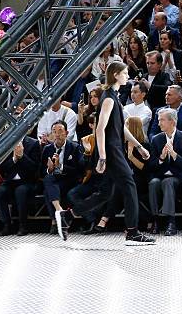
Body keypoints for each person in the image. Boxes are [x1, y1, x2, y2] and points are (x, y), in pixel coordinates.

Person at [55, 62, 155, 245]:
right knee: (129, 186)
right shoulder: (108, 98)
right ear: (116, 75)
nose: (127, 76)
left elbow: (121, 127)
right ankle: (132, 231)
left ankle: (67, 216)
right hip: (110, 151)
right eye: (125, 73)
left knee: (105, 193)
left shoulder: (113, 97)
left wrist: (138, 146)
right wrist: (102, 156)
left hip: (113, 149)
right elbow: (100, 129)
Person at [148, 108, 182, 236]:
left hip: (178, 177)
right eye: (158, 120)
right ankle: (155, 220)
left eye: (162, 120)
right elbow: (151, 165)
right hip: (160, 175)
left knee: (168, 182)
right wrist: (161, 158)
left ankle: (171, 221)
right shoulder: (156, 139)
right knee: (153, 183)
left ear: (172, 122)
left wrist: (174, 155)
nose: (159, 123)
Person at [42, 121, 85, 234]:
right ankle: (59, 210)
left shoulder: (75, 147)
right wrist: (49, 169)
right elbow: (40, 171)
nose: (57, 134)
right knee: (48, 178)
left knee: (48, 190)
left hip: (70, 180)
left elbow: (79, 170)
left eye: (60, 131)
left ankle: (54, 222)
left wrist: (60, 166)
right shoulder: (47, 149)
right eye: (54, 132)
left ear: (66, 133)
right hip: (54, 180)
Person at [0, 134, 41, 236]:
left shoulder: (33, 143)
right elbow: (2, 168)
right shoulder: (6, 143)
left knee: (21, 191)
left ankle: (23, 226)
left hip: (27, 181)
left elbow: (35, 168)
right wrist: (14, 159)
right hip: (10, 182)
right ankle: (6, 225)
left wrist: (22, 156)